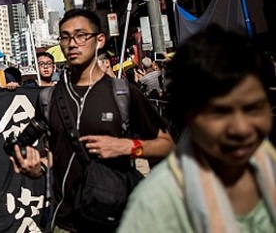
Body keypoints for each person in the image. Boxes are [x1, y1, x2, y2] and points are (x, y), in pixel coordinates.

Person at [11, 8, 173, 232]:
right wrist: (37, 168)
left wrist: (128, 146)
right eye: (65, 37)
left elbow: (166, 145)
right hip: (66, 221)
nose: (72, 43)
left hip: (117, 218)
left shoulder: (123, 93)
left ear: (99, 40)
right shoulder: (48, 98)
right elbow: (54, 156)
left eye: (80, 35)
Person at [118, 25, 276, 232]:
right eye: (219, 113)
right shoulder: (156, 206)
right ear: (188, 115)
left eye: (253, 108)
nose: (241, 128)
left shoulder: (269, 165)